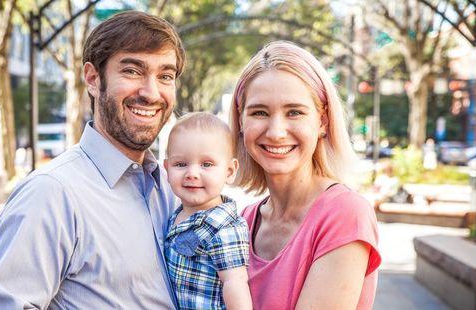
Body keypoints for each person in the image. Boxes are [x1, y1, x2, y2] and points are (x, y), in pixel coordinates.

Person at [0, 11, 186, 309]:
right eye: (132, 71)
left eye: (165, 76)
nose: (151, 93)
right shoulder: (51, 194)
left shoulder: (171, 189)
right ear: (92, 78)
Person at [229, 41, 381, 309]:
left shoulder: (344, 214)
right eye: (260, 112)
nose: (276, 132)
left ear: (322, 121)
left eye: (295, 112)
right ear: (241, 121)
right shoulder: (243, 220)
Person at [163, 112, 251, 310]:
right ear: (167, 169)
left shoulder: (225, 228)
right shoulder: (174, 215)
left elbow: (235, 283)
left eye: (207, 164)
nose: (192, 173)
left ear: (229, 171)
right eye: (181, 164)